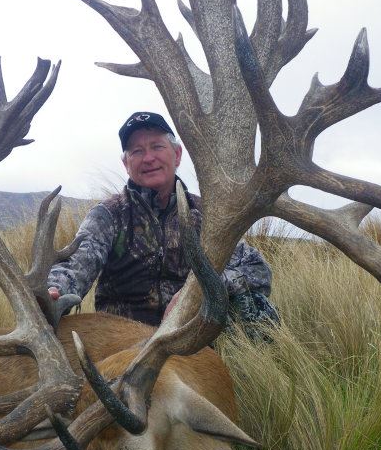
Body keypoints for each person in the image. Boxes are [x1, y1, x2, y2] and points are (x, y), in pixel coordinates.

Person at [47, 111, 279, 336]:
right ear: (126, 163)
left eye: (157, 147)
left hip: (189, 332)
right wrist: (54, 291)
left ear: (177, 155)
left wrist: (195, 291)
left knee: (258, 310)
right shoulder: (109, 214)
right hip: (121, 338)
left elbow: (258, 271)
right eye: (137, 151)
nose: (148, 158)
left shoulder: (206, 214)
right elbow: (76, 264)